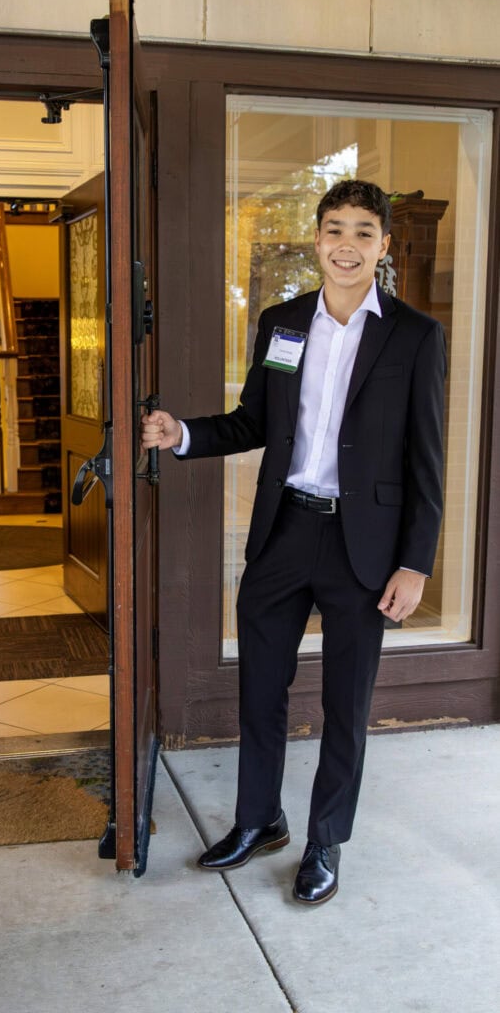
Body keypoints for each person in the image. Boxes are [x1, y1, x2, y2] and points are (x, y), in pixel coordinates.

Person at [140, 179, 446, 905]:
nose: (347, 245)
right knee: (260, 689)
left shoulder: (414, 335)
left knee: (345, 703)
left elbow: (426, 459)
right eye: (335, 229)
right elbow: (253, 421)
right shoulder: (283, 323)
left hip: (364, 548)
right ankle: (259, 820)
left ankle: (325, 841)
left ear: (382, 245)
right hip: (284, 532)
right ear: (316, 240)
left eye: (363, 232)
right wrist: (182, 434)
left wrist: (414, 563)